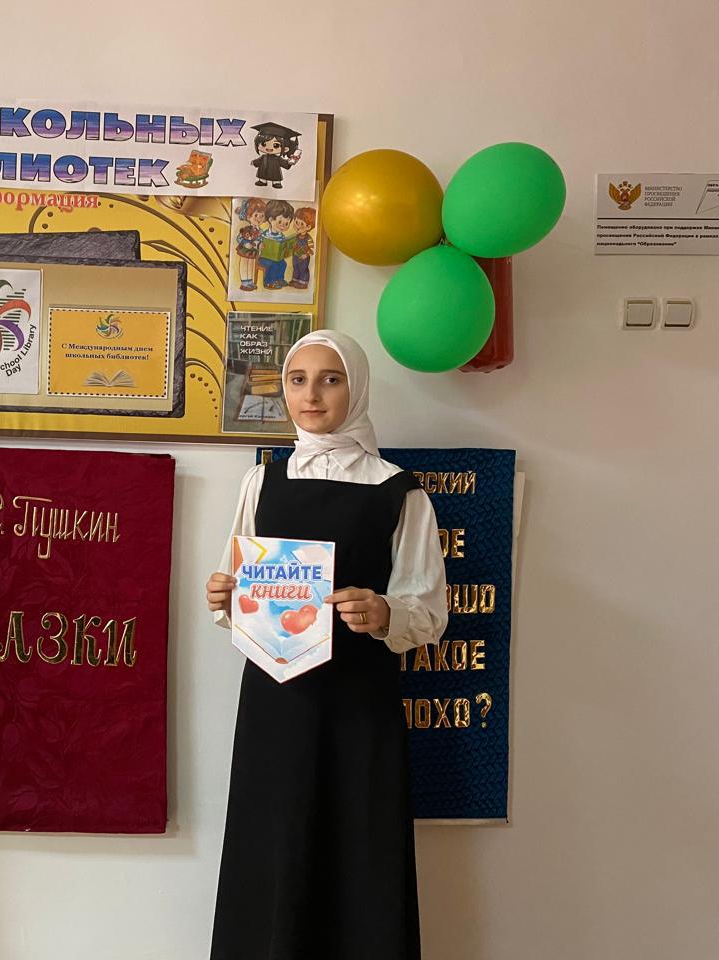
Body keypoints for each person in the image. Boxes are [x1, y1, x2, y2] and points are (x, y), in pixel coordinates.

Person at [205, 330, 447, 960]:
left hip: (357, 705)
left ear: (356, 388)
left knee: (358, 851)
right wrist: (225, 596)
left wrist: (385, 611)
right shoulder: (262, 481)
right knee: (272, 846)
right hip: (276, 704)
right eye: (298, 379)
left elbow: (428, 610)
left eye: (330, 379)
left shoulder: (399, 490)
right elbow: (239, 590)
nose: (311, 395)